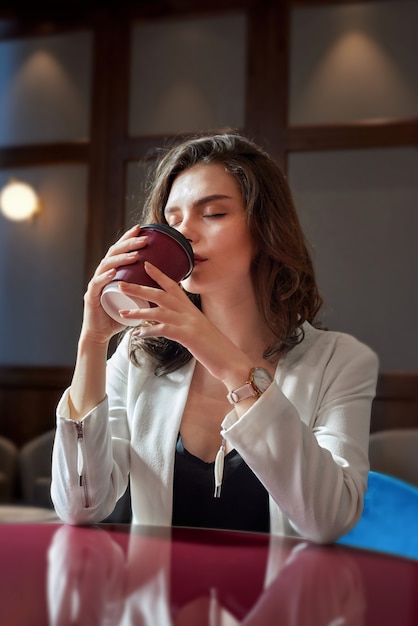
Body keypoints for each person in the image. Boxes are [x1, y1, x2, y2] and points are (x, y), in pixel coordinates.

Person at [50, 130, 379, 543]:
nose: (185, 231)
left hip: (283, 605)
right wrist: (92, 343)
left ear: (265, 228)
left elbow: (329, 520)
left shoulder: (340, 361)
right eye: (173, 220)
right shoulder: (140, 358)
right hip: (157, 604)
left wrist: (223, 358)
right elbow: (80, 507)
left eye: (213, 214)